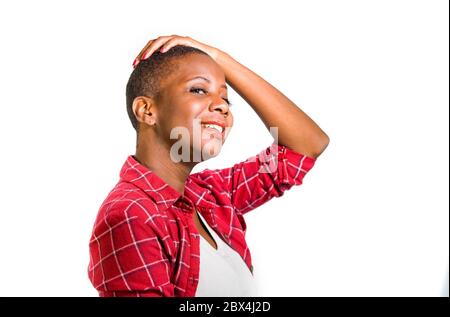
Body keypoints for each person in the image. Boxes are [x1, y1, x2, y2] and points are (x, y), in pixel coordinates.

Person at [87, 35, 330, 297]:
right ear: (147, 110)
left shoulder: (211, 194)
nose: (223, 107)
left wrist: (218, 57)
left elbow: (306, 145)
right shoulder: (130, 215)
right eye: (199, 90)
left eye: (226, 99)